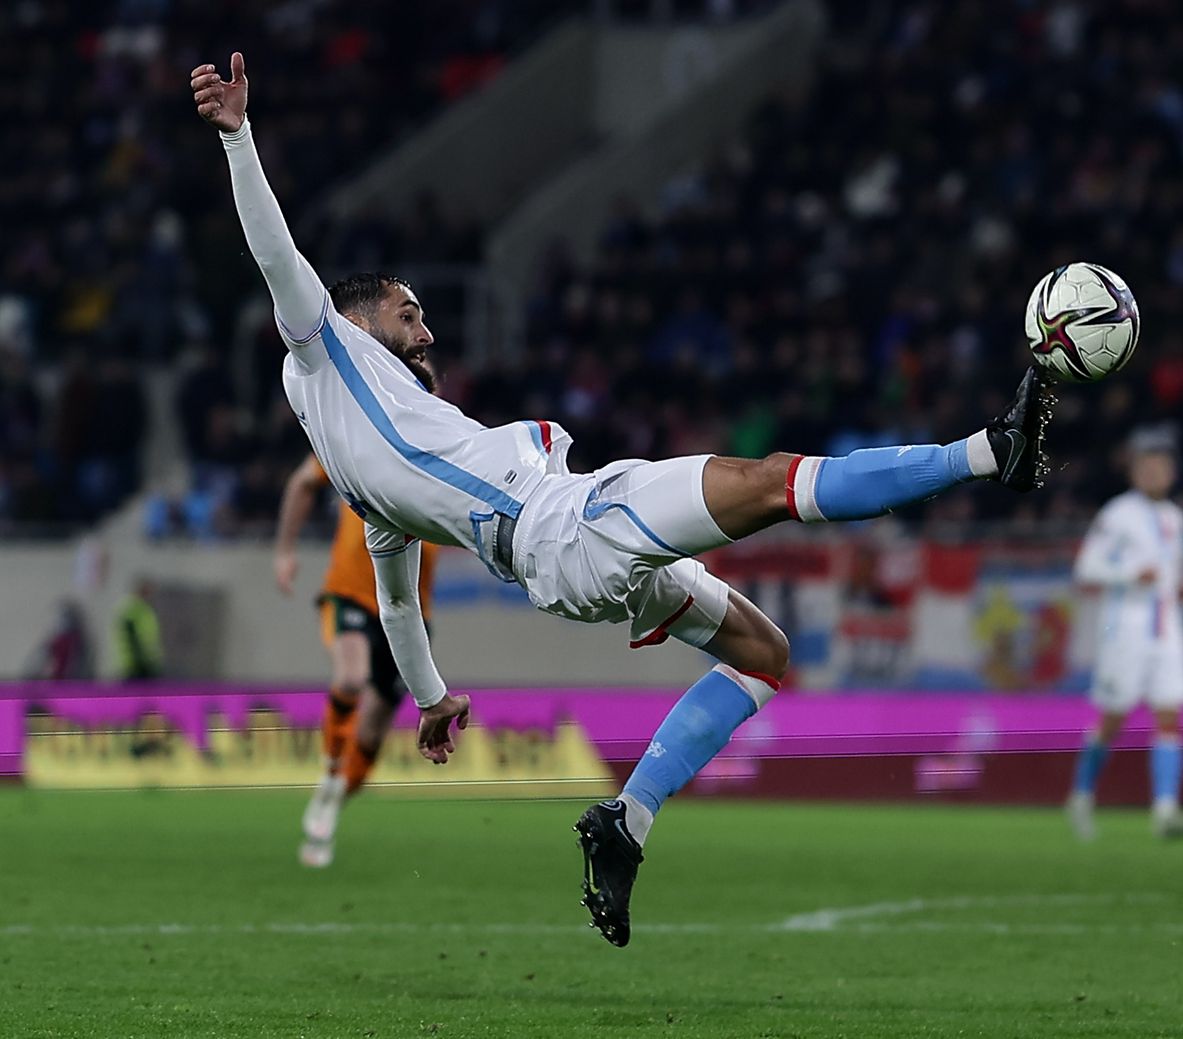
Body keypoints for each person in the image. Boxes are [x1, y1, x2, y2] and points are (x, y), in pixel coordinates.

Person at [191, 53, 1058, 946]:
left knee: (764, 652)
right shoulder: (323, 344)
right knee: (772, 481)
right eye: (410, 314)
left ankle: (628, 820)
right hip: (568, 527)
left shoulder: (362, 471)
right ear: (355, 322)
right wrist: (240, 137)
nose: (428, 328)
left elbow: (398, 601)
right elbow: (274, 251)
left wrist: (433, 697)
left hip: (560, 557)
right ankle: (994, 451)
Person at [274, 451, 440, 867]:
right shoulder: (354, 438)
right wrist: (284, 551)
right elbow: (301, 483)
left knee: (373, 730)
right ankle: (331, 771)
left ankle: (331, 799)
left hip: (410, 611)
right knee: (351, 679)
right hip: (352, 593)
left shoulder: (444, 451)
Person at [1067, 428, 1183, 840]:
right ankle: (1081, 796)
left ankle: (1165, 811)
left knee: (1170, 713)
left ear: (1172, 472)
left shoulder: (1176, 518)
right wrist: (1128, 575)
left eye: (1161, 465)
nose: (1154, 472)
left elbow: (1170, 572)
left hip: (1167, 628)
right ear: (1134, 472)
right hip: (1125, 628)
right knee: (1114, 718)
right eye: (1146, 465)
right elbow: (1085, 568)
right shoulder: (1117, 514)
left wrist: (1175, 588)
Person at [114, 577, 162, 681]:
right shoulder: (133, 608)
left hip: (145, 661)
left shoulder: (144, 608)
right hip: (135, 665)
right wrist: (141, 661)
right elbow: (131, 637)